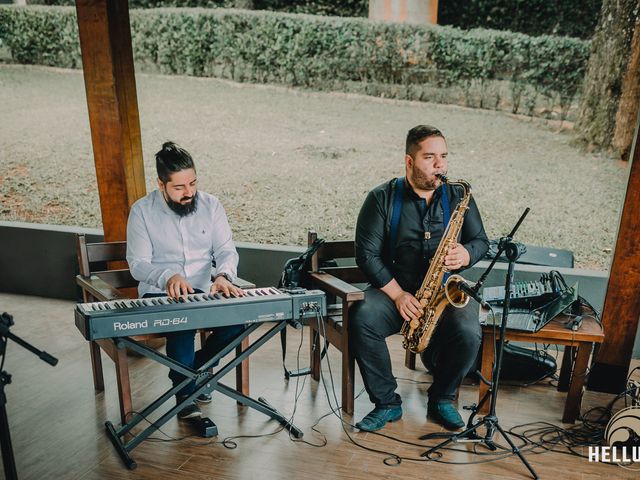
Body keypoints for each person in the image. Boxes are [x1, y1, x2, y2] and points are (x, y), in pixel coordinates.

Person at [351, 125, 489, 432]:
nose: (440, 165)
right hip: (393, 290)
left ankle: (442, 397)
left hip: (443, 292)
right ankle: (386, 403)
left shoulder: (458, 195)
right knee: (362, 317)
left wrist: (465, 255)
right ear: (409, 161)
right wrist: (399, 295)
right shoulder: (381, 199)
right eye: (430, 157)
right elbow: (367, 256)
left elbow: (480, 241)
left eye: (443, 156)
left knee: (468, 331)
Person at [126, 141, 245, 419]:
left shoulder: (211, 205)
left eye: (192, 183)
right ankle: (185, 397)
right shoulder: (142, 211)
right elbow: (138, 264)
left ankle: (193, 372)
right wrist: (167, 276)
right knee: (182, 321)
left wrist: (224, 275)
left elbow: (226, 249)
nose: (189, 192)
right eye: (179, 187)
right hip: (161, 293)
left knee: (239, 320)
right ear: (161, 184)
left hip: (206, 290)